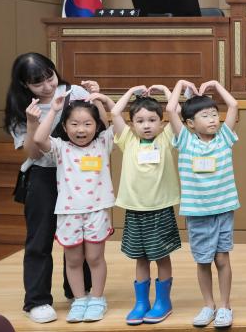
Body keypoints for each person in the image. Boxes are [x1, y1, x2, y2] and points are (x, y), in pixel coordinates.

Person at [2, 53, 93, 323]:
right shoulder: (20, 108)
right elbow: (31, 152)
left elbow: (92, 125)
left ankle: (78, 291)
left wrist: (94, 98)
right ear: (24, 85)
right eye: (37, 82)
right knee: (40, 240)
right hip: (42, 175)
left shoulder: (73, 92)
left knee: (79, 236)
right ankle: (37, 301)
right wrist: (32, 123)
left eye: (49, 76)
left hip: (75, 172)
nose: (47, 86)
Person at [94, 85, 182, 325]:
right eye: (140, 120)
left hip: (160, 209)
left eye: (152, 120)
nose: (146, 125)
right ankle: (141, 302)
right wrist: (133, 91)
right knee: (140, 258)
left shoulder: (166, 138)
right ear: (131, 124)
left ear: (161, 123)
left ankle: (163, 302)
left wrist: (165, 90)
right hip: (134, 210)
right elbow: (115, 113)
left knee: (162, 256)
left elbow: (174, 110)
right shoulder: (127, 141)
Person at [32, 95, 116, 323]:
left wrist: (105, 102)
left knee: (95, 258)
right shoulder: (61, 148)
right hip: (68, 212)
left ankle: (97, 298)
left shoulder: (102, 143)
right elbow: (39, 139)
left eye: (88, 124)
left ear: (97, 125)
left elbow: (118, 126)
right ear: (65, 126)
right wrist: (53, 110)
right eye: (74, 124)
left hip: (97, 211)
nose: (81, 129)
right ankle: (80, 300)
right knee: (73, 260)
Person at [166, 79, 240, 328]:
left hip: (223, 210)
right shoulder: (186, 141)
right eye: (205, 116)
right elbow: (170, 110)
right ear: (189, 123)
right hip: (197, 213)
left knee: (222, 259)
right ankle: (208, 305)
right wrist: (179, 84)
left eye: (214, 114)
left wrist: (217, 86)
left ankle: (225, 306)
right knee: (203, 260)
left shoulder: (224, 138)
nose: (213, 119)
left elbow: (233, 104)